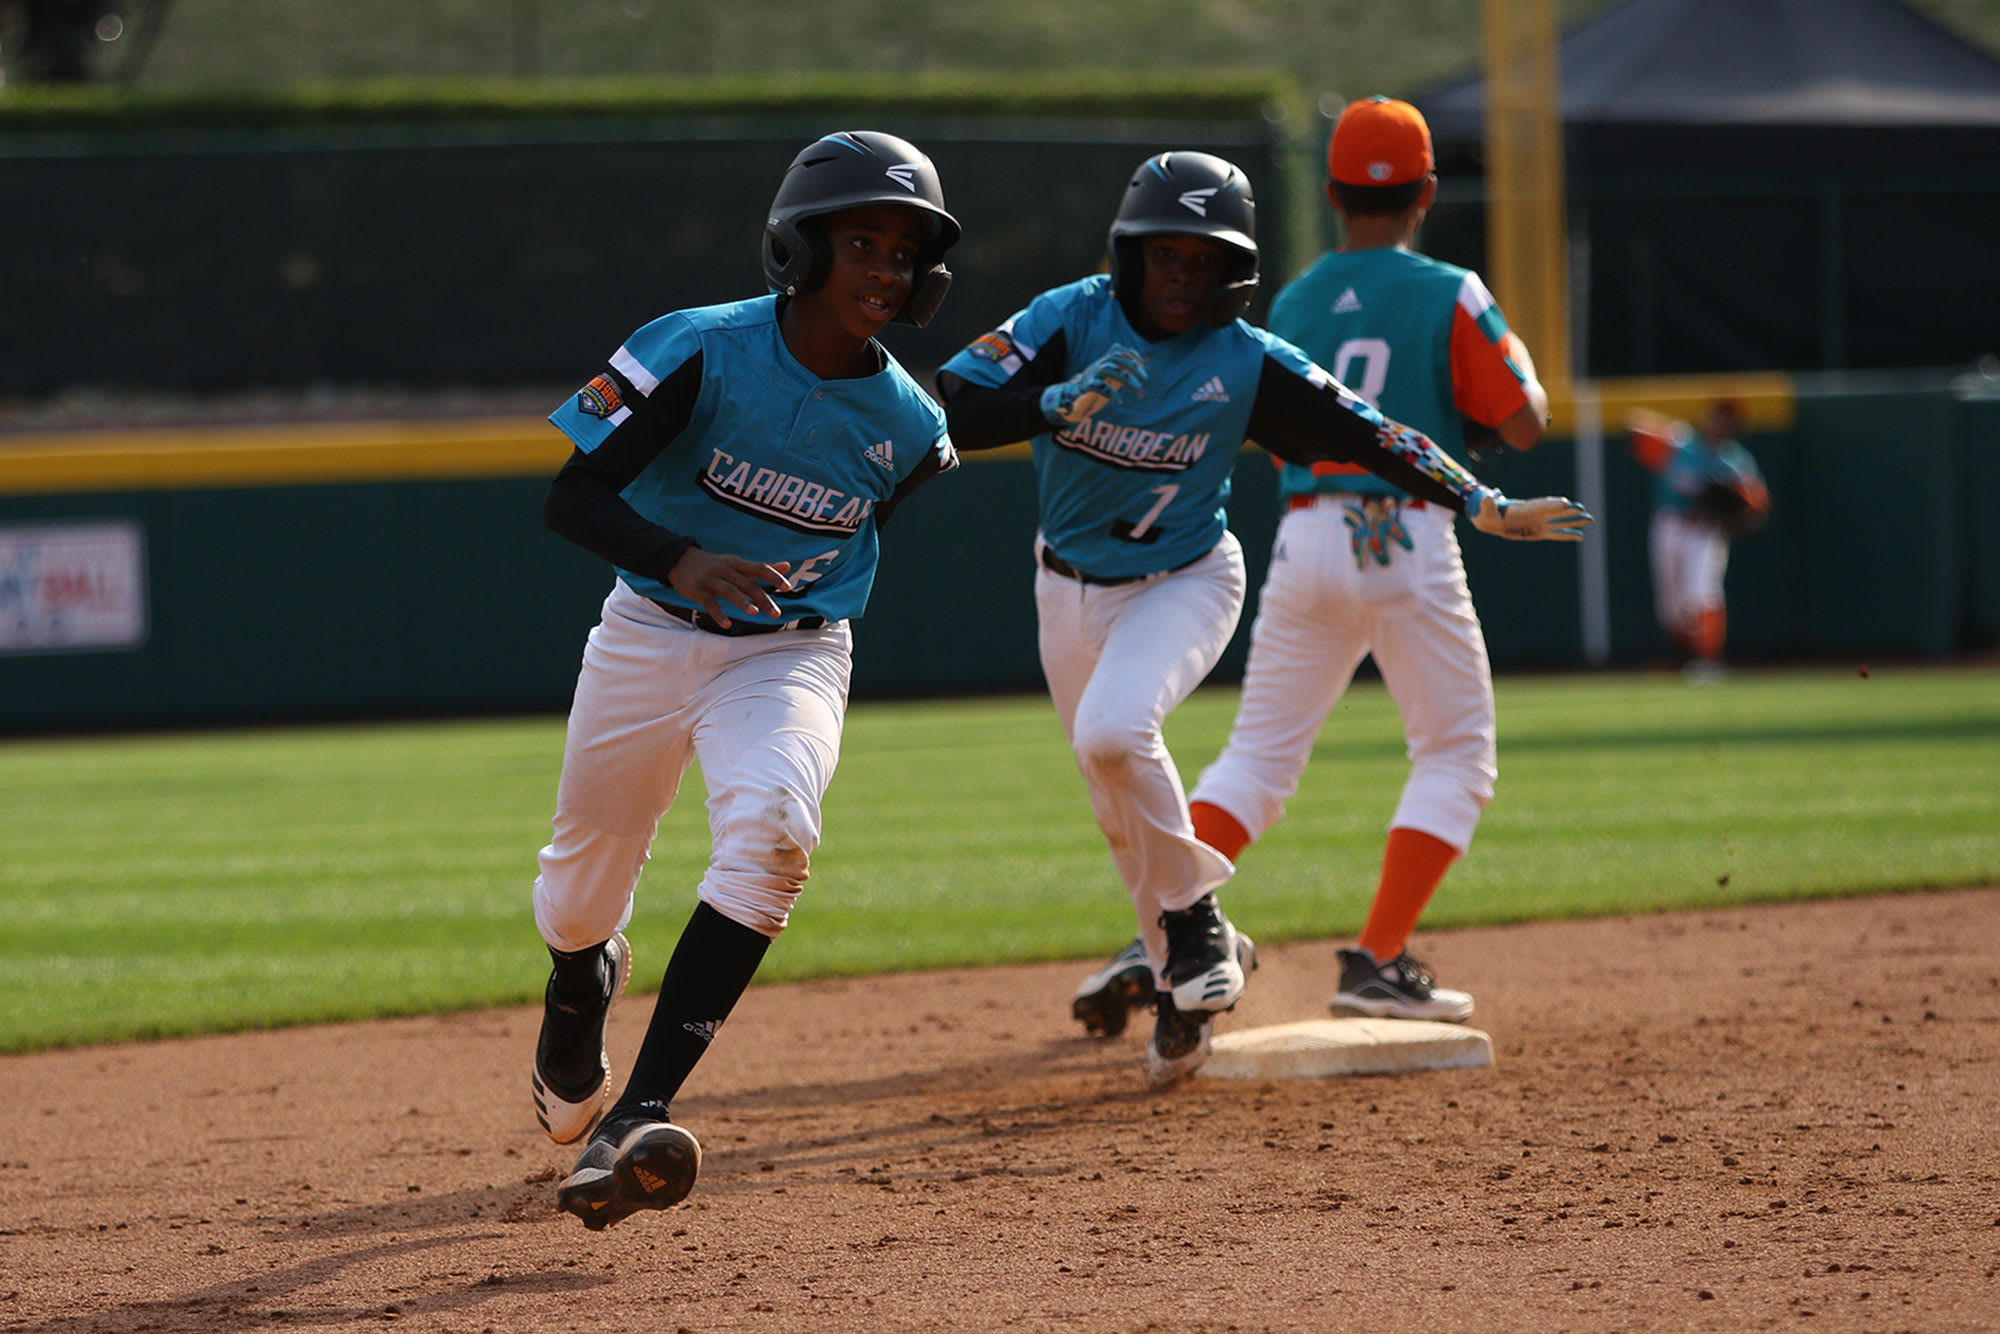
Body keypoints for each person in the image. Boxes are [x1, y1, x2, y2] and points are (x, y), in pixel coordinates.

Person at [938, 148, 1590, 1087]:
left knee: (1118, 735)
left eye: (1205, 262)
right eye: (1168, 256)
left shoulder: (1248, 359)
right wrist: (1047, 401)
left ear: (1234, 272)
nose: (1183, 277)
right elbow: (954, 407)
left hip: (1186, 580)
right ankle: (1184, 992)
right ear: (1131, 255)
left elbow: (1380, 433)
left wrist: (1482, 503)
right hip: (1065, 587)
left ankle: (1196, 923)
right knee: (1115, 807)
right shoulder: (1068, 317)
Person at [527, 130, 962, 1230]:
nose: (882, 270)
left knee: (772, 829)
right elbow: (570, 498)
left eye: (904, 254)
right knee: (579, 891)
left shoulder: (910, 424)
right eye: (860, 241)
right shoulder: (696, 349)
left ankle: (641, 1109)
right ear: (797, 247)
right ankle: (580, 981)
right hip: (645, 630)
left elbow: (872, 529)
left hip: (789, 650)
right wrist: (679, 557)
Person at [1069, 97, 1562, 1034]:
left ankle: (1168, 926)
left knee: (1257, 757)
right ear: (1424, 193)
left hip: (1302, 538)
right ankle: (1375, 960)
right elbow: (1524, 421)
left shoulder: (1290, 298)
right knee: (1456, 755)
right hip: (1408, 534)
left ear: (1333, 192)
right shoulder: (1450, 287)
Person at [1629, 399, 1771, 682]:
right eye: (1717, 416)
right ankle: (1684, 659)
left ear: (1734, 428)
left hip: (1705, 530)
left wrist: (1732, 511)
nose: (1718, 423)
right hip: (1669, 525)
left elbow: (1757, 508)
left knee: (1702, 594)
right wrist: (1668, 428)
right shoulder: (1681, 444)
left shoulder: (1735, 461)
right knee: (1670, 606)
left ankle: (1708, 661)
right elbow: (1633, 424)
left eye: (1726, 420)